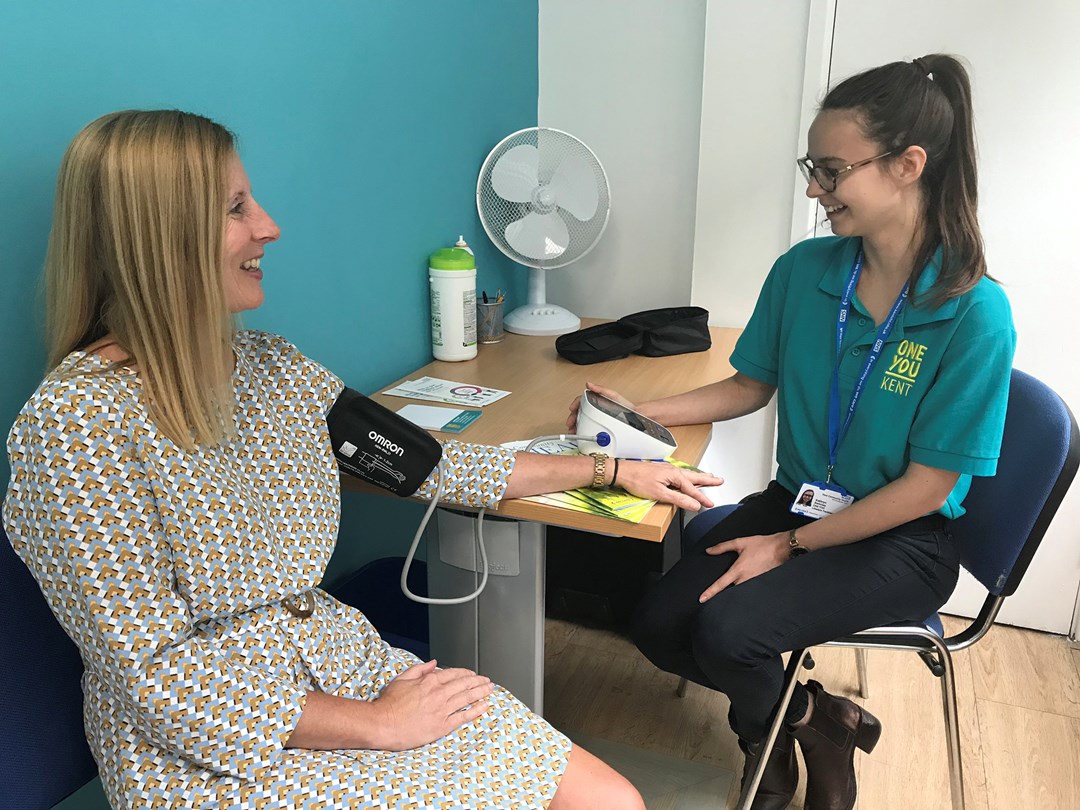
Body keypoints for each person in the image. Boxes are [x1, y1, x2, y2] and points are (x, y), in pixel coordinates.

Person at [2, 109, 724, 810]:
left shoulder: (272, 369)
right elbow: (156, 676)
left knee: (611, 800)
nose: (268, 226)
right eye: (234, 208)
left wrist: (610, 470)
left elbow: (428, 465)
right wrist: (378, 726)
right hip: (211, 745)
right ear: (154, 238)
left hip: (336, 661)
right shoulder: (75, 429)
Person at [568, 55, 1014, 810]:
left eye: (832, 171)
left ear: (908, 166)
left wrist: (787, 546)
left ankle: (771, 755)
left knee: (729, 632)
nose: (814, 189)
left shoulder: (972, 313)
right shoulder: (807, 270)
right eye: (814, 167)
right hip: (801, 503)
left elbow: (925, 488)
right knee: (654, 619)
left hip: (903, 538)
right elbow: (748, 386)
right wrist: (636, 416)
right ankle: (812, 723)